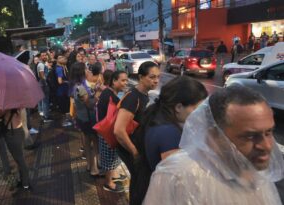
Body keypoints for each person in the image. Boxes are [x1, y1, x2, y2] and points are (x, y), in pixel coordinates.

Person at [143, 86, 284, 205]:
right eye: (250, 136)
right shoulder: (179, 176)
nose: (266, 146)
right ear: (215, 136)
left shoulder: (256, 172)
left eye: (269, 132)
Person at [114, 61, 160, 205]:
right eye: (152, 77)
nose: (156, 81)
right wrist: (135, 153)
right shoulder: (133, 98)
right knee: (140, 184)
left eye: (158, 77)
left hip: (136, 147)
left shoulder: (143, 94)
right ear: (141, 77)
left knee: (138, 182)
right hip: (131, 149)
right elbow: (118, 130)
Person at [97, 71, 129, 193]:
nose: (125, 83)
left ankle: (114, 176)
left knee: (112, 156)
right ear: (114, 81)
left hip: (105, 130)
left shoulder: (107, 91)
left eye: (126, 80)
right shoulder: (111, 96)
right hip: (107, 132)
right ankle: (108, 183)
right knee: (109, 158)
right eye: (122, 80)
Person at [70, 62, 101, 176]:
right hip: (88, 120)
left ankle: (89, 165)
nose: (88, 71)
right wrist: (98, 93)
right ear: (81, 73)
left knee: (87, 143)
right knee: (94, 143)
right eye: (86, 69)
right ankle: (95, 169)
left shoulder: (77, 86)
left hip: (82, 118)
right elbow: (90, 104)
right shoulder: (81, 88)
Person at [0, 108, 31, 190]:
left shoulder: (7, 106)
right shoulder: (19, 103)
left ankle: (26, 184)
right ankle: (23, 181)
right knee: (19, 159)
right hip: (20, 131)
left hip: (12, 134)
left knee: (20, 160)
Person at [55, 55, 72, 127]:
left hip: (63, 91)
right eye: (63, 58)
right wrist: (67, 82)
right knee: (63, 108)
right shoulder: (59, 69)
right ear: (59, 60)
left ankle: (65, 121)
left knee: (65, 106)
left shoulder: (62, 67)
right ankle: (63, 122)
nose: (66, 59)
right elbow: (59, 81)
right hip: (61, 91)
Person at [37, 49, 52, 122]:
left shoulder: (43, 63)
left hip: (42, 84)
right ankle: (46, 117)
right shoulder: (41, 64)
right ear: (40, 57)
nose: (44, 56)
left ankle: (42, 113)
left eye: (45, 55)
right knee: (45, 100)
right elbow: (42, 76)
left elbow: (50, 59)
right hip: (43, 84)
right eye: (43, 55)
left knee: (43, 100)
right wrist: (46, 83)